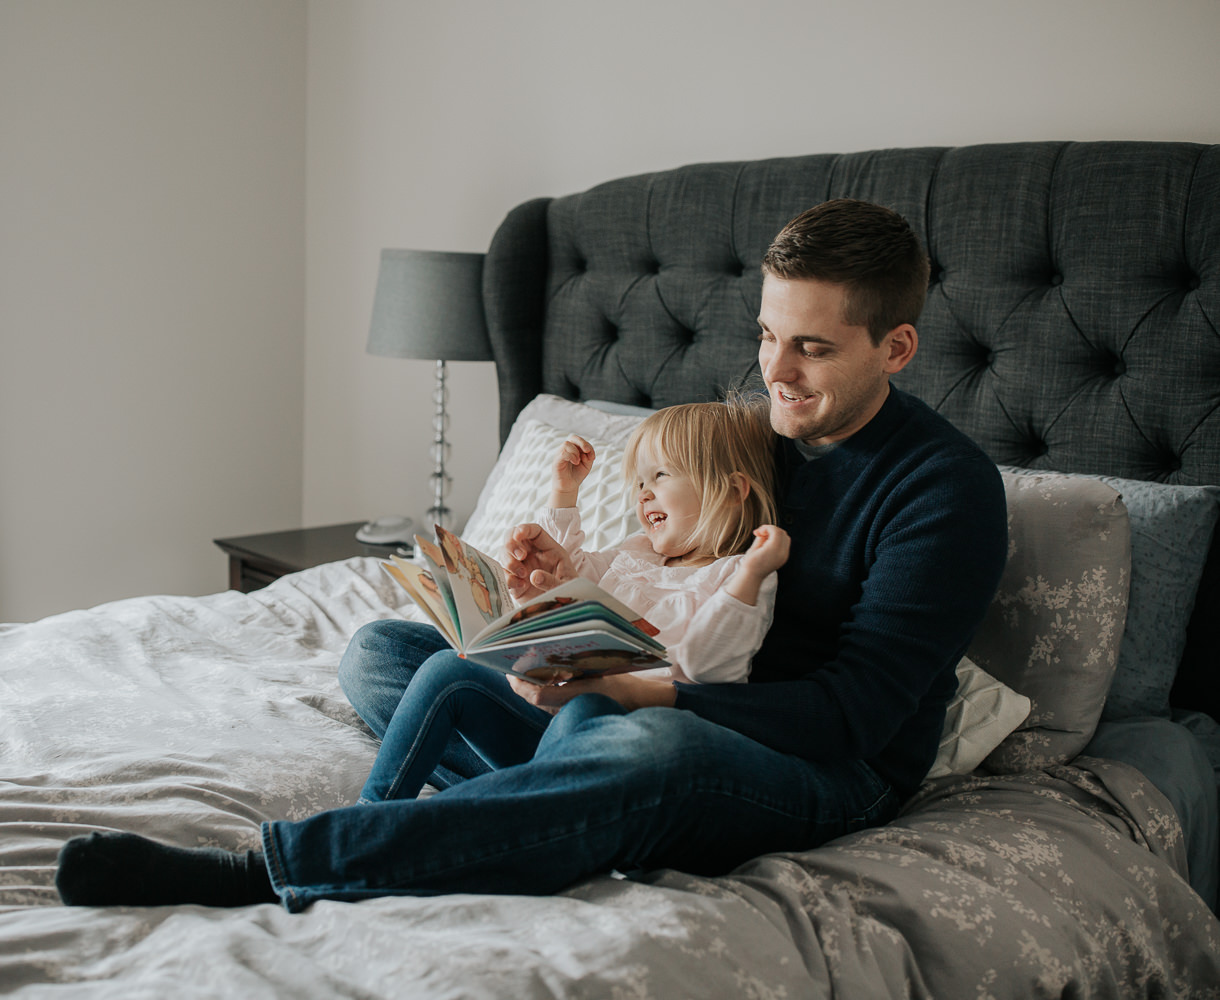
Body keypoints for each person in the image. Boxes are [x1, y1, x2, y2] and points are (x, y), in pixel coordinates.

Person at [54, 198, 1009, 913]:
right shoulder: (747, 439)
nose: (775, 374)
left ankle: (277, 868)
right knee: (387, 655)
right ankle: (561, 804)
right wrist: (565, 613)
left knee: (646, 746)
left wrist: (643, 694)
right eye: (765, 336)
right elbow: (662, 562)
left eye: (811, 349)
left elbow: (855, 715)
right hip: (638, 689)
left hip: (819, 762)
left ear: (898, 347)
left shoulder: (946, 492)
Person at [353, 396, 790, 805]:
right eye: (639, 481)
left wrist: (750, 574)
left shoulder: (739, 577)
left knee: (452, 671)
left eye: (660, 476)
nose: (643, 493)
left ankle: (376, 814)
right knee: (376, 648)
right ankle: (520, 794)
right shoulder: (637, 551)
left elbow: (708, 668)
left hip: (601, 731)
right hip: (541, 709)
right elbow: (573, 576)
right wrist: (564, 497)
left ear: (733, 490)